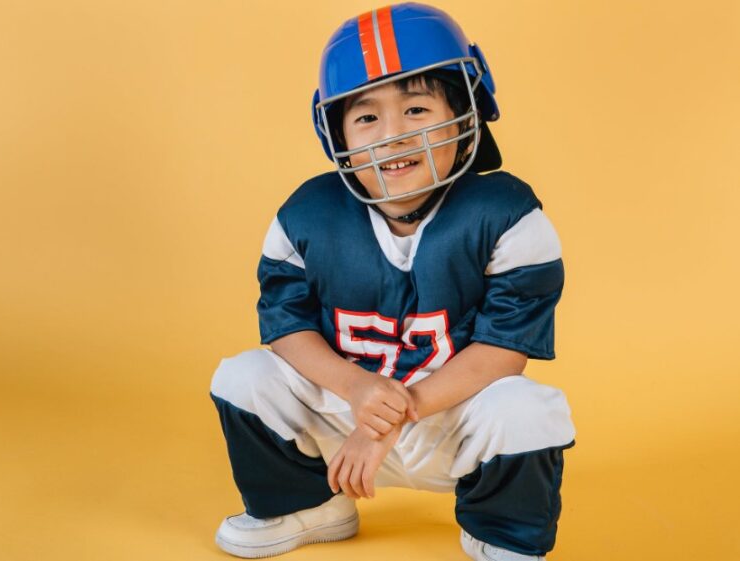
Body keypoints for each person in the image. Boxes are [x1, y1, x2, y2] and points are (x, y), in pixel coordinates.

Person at [209, 3, 576, 560]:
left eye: (417, 108)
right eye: (366, 118)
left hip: (452, 416)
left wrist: (387, 420)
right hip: (342, 412)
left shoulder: (507, 214)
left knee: (528, 409)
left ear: (468, 111)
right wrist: (357, 391)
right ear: (336, 133)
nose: (394, 135)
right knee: (243, 376)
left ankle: (503, 534)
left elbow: (505, 349)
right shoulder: (306, 214)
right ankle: (307, 506)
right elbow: (284, 326)